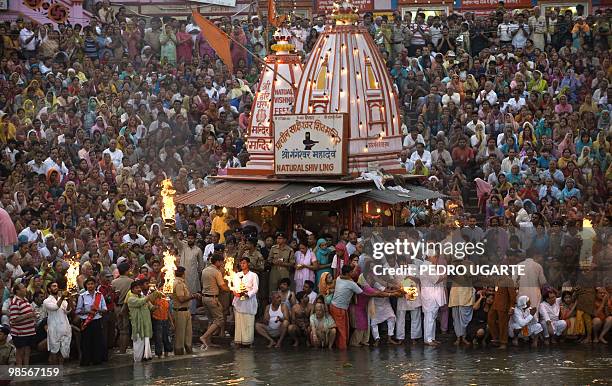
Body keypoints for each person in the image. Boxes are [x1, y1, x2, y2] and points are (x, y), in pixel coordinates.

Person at [199, 254, 230, 349]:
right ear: (217, 262)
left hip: (204, 298)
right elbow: (222, 286)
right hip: (212, 298)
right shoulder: (216, 272)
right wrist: (232, 289)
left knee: (211, 320)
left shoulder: (205, 270)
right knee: (219, 320)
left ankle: (208, 341)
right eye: (221, 262)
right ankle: (204, 337)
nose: (222, 264)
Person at [329, 265, 363, 350]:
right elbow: (362, 292)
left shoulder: (339, 278)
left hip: (335, 306)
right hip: (339, 309)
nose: (354, 272)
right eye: (352, 272)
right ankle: (342, 354)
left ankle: (340, 350)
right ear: (348, 273)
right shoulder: (351, 284)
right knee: (342, 332)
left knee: (343, 330)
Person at [76, 277, 107, 366]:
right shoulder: (82, 296)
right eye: (88, 284)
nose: (90, 286)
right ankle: (86, 360)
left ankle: (97, 360)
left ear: (95, 285)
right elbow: (78, 310)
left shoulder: (99, 295)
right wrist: (88, 311)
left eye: (92, 284)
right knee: (86, 342)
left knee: (97, 341)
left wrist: (98, 309)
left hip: (96, 320)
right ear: (86, 286)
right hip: (86, 321)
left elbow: (105, 309)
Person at [420, 251, 447, 346]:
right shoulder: (427, 266)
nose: (436, 259)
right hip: (430, 295)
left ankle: (432, 338)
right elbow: (435, 280)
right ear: (430, 257)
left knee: (432, 317)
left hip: (432, 295)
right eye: (435, 257)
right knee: (429, 317)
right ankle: (428, 339)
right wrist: (444, 275)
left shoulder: (428, 266)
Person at [43, 281, 72, 364]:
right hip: (54, 329)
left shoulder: (62, 299)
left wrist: (69, 299)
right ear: (49, 289)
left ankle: (61, 369)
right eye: (53, 286)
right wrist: (62, 297)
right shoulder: (46, 301)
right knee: (54, 351)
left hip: (64, 327)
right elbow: (55, 307)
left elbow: (68, 311)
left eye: (57, 286)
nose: (56, 287)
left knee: (64, 351)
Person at [126, 279, 155, 362]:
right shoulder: (131, 299)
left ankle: (145, 368)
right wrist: (150, 295)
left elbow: (151, 307)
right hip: (138, 326)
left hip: (146, 326)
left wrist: (159, 303)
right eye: (136, 288)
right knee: (138, 347)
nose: (139, 289)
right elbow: (140, 302)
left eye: (139, 287)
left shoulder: (143, 297)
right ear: (132, 290)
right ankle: (137, 368)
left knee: (146, 347)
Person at [232, 257, 258, 347]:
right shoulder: (237, 274)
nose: (242, 265)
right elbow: (234, 286)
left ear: (248, 264)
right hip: (239, 300)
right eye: (241, 263)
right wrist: (236, 292)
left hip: (249, 301)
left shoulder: (253, 275)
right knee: (239, 321)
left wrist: (248, 294)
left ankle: (248, 341)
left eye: (244, 263)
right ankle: (238, 341)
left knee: (248, 321)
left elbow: (255, 288)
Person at [8, 283, 36, 365]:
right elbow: (14, 319)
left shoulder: (25, 300)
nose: (25, 289)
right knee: (20, 352)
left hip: (29, 331)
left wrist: (33, 315)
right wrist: (28, 315)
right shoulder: (15, 302)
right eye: (23, 287)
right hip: (20, 333)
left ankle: (26, 370)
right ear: (17, 291)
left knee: (27, 351)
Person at [172, 266, 195, 355]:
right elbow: (181, 299)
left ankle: (189, 352)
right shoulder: (178, 284)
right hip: (180, 311)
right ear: (183, 274)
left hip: (185, 311)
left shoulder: (181, 283)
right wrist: (193, 296)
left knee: (188, 334)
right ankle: (179, 354)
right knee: (180, 336)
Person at [111, 262, 133, 354]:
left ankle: (121, 349)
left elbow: (112, 296)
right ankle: (123, 350)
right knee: (125, 330)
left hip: (116, 307)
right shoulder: (131, 281)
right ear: (127, 271)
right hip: (125, 307)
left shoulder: (114, 282)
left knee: (120, 329)